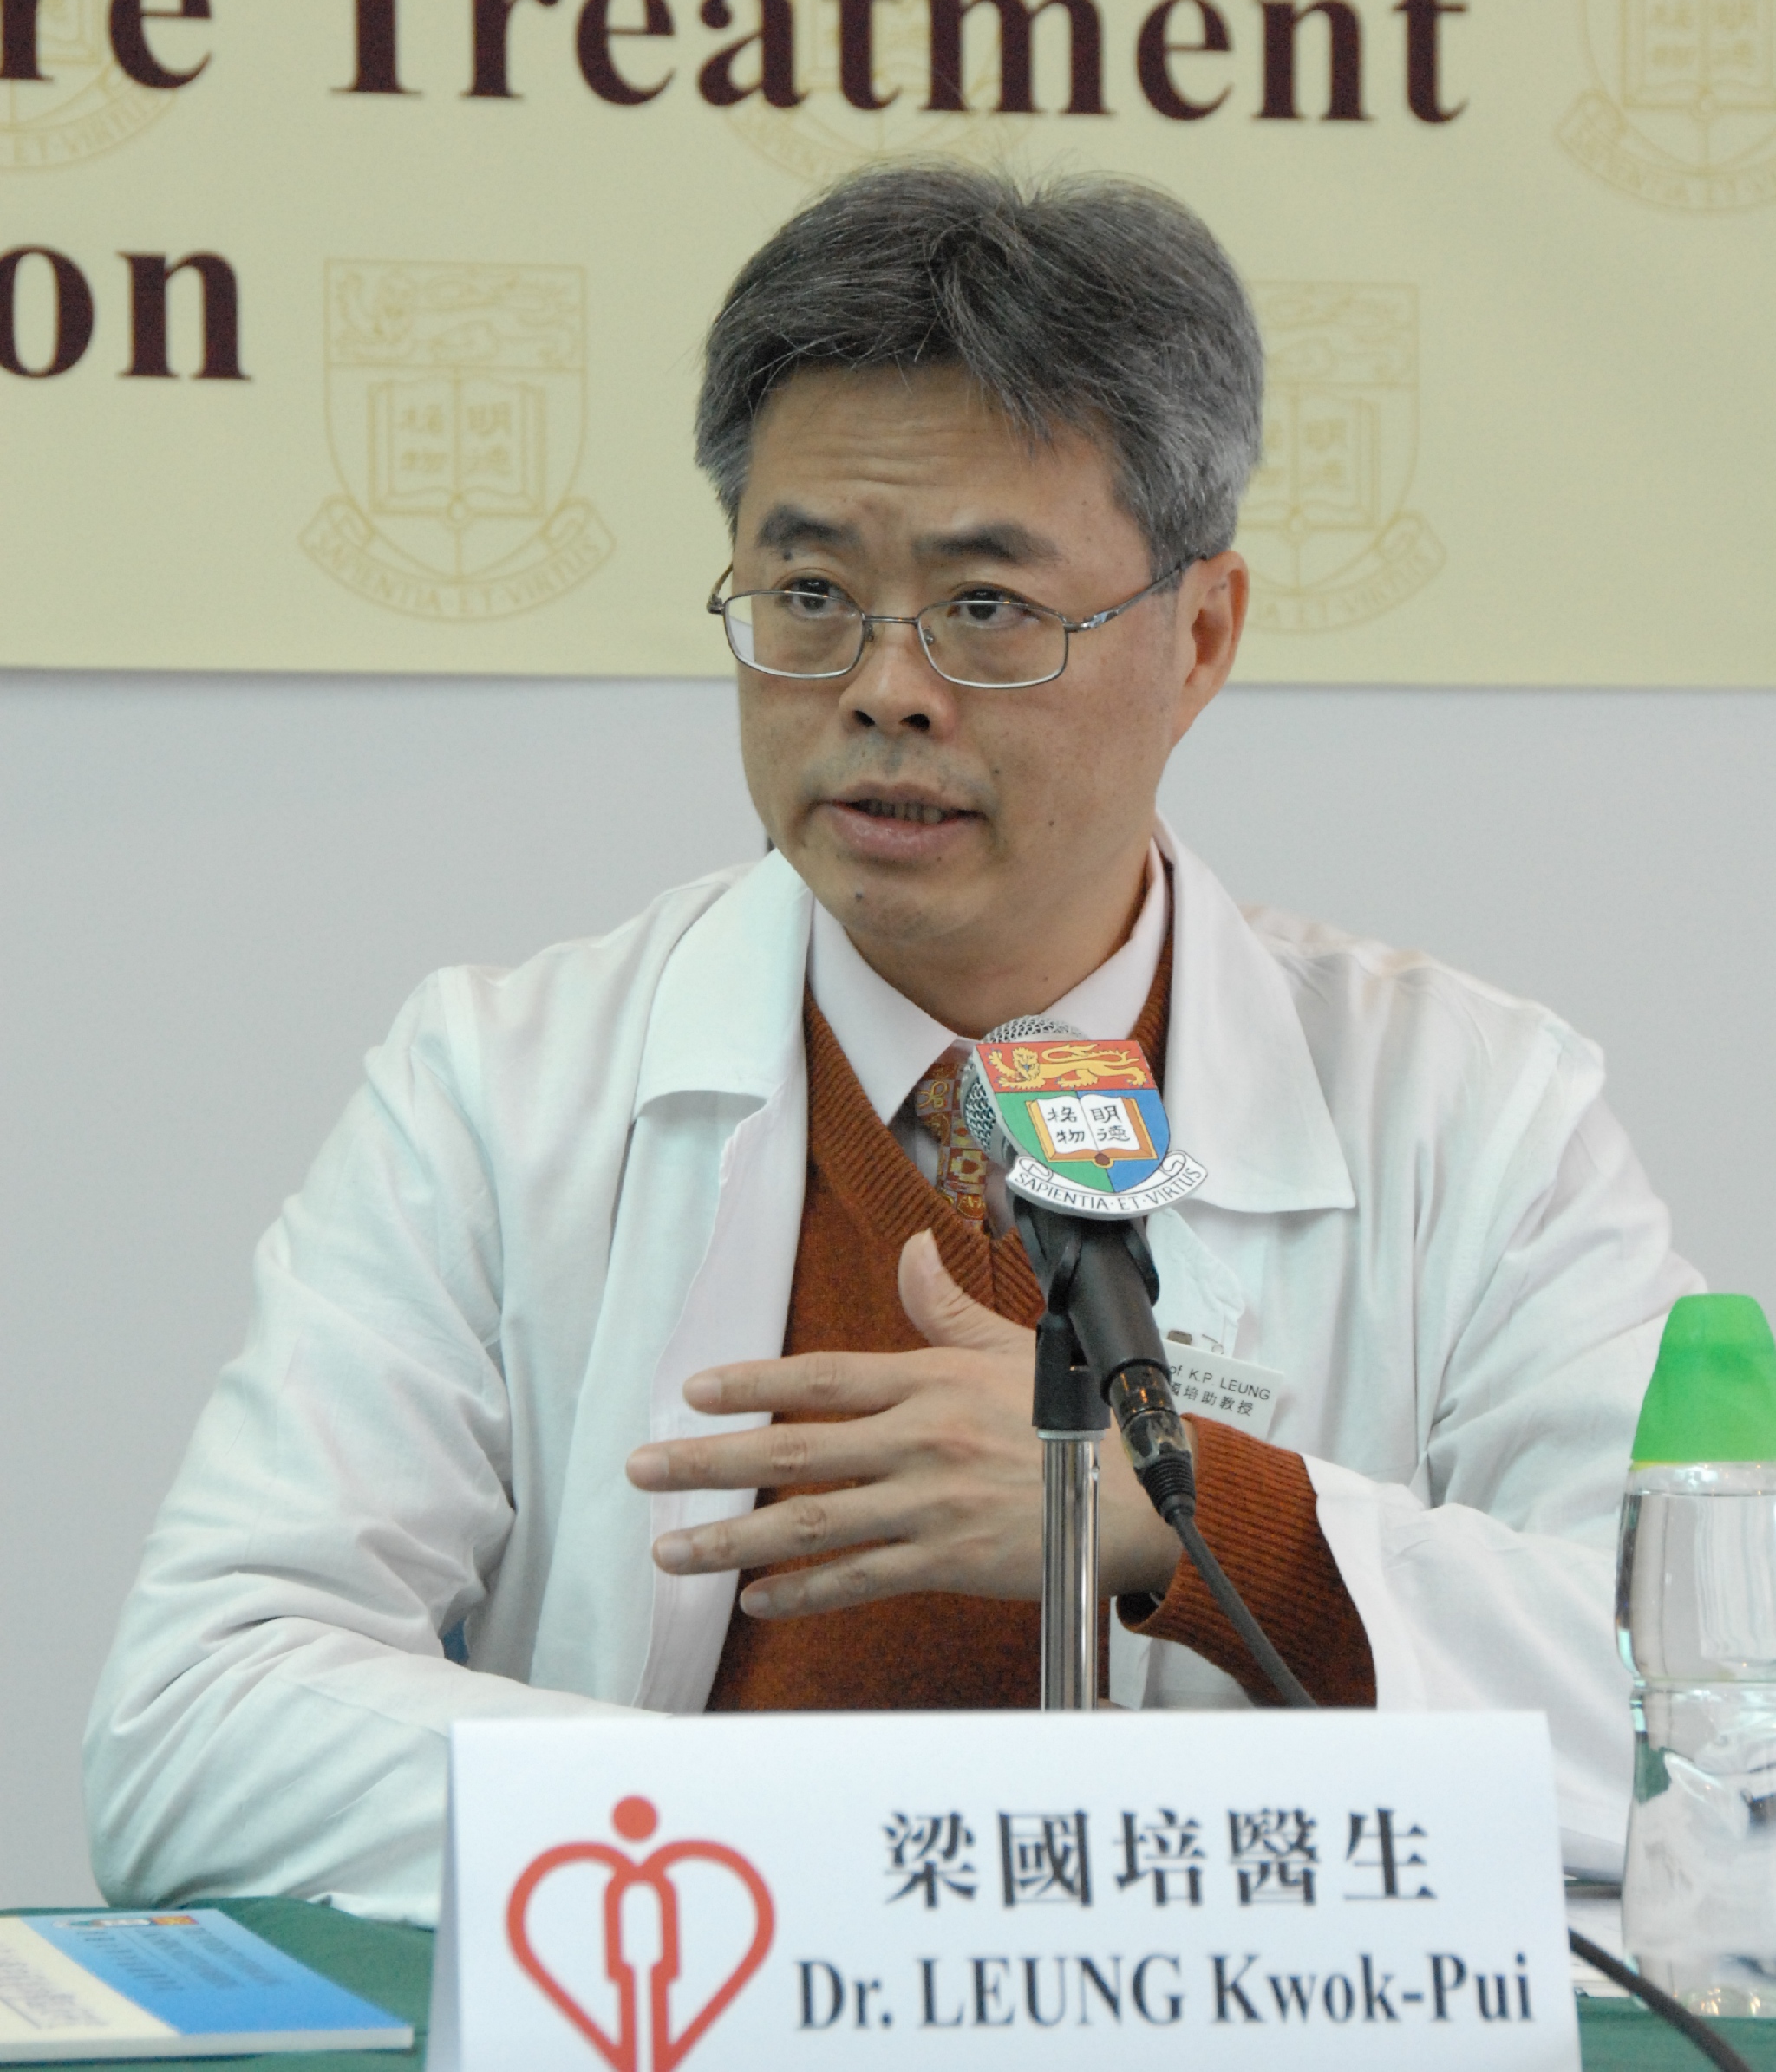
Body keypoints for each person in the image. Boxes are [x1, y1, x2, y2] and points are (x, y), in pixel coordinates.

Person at [86, 164, 1697, 1924]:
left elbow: (1698, 1731)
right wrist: (867, 1859)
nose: (882, 688)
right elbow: (197, 1730)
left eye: (986, 609)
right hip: (696, 2002)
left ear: (1200, 637)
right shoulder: (499, 1087)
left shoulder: (1471, 1113)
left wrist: (1181, 1516)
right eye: (808, 592)